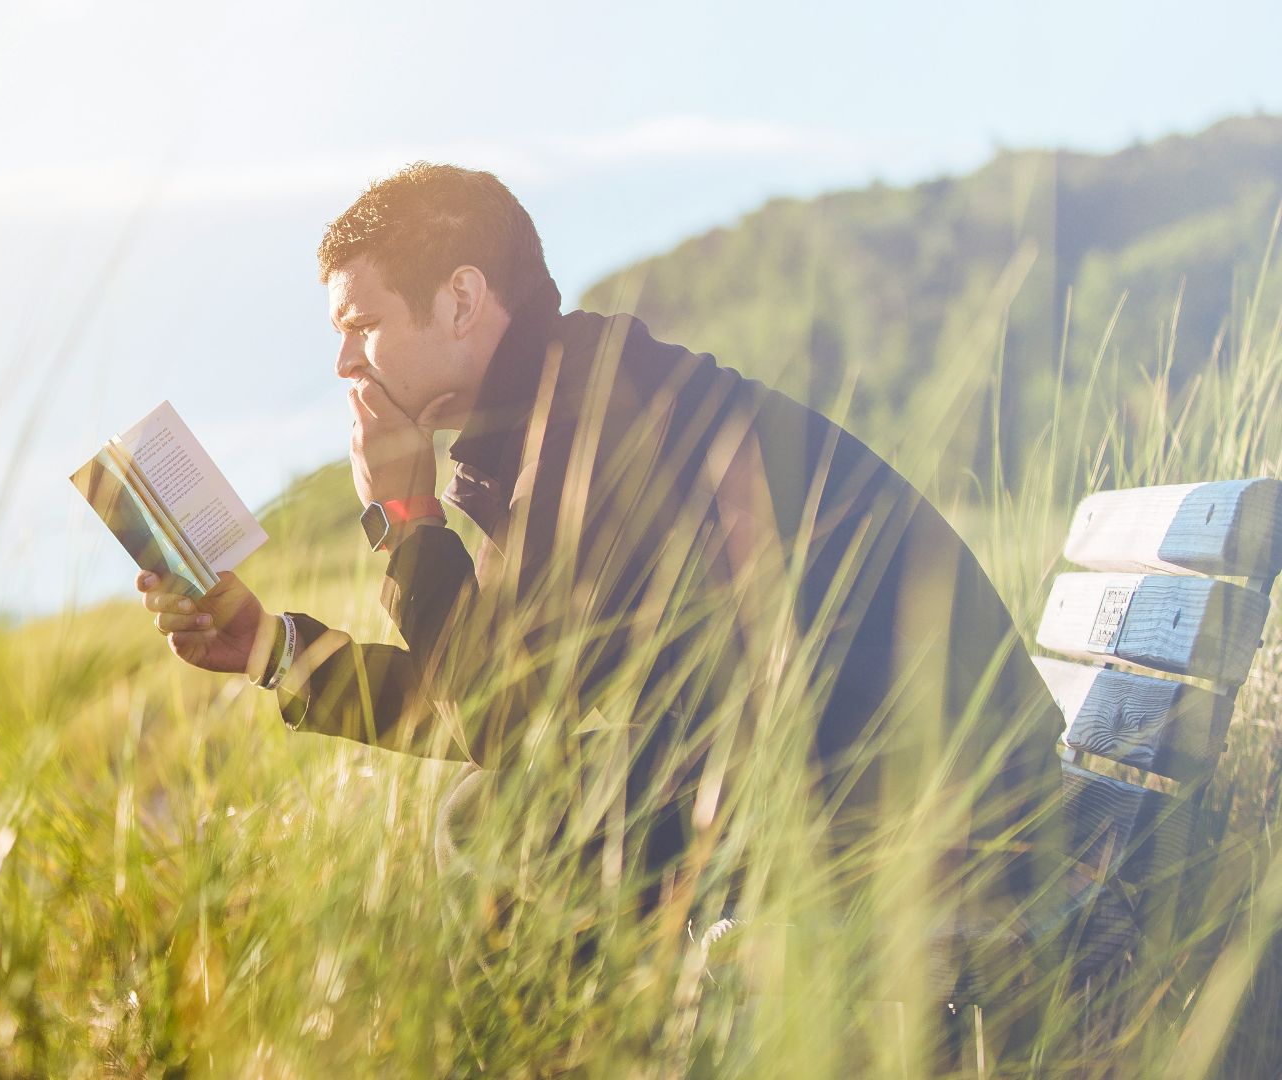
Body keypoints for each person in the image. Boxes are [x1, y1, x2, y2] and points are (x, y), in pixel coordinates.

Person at [133, 162, 1073, 1000]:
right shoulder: (556, 410)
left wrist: (410, 519)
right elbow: (499, 698)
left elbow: (492, 715)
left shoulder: (596, 420)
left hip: (955, 817)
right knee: (518, 811)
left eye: (362, 325)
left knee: (507, 821)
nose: (343, 363)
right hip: (872, 777)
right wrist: (268, 648)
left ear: (462, 299)